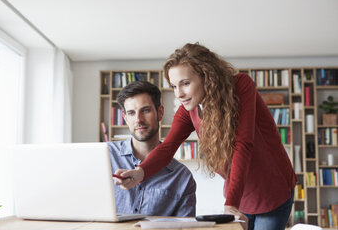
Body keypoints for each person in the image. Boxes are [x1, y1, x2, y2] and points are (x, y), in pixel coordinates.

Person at [113, 43, 297, 230]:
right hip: (240, 192)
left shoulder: (241, 86)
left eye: (185, 83)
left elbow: (243, 144)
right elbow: (168, 147)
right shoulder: (189, 110)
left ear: (206, 76)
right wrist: (139, 172)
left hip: (271, 187)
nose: (179, 94)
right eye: (174, 86)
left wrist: (231, 204)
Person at [109, 80, 196, 217]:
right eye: (131, 113)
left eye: (145, 110)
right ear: (125, 118)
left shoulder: (182, 177)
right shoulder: (105, 157)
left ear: (160, 112)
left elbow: (185, 227)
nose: (138, 119)